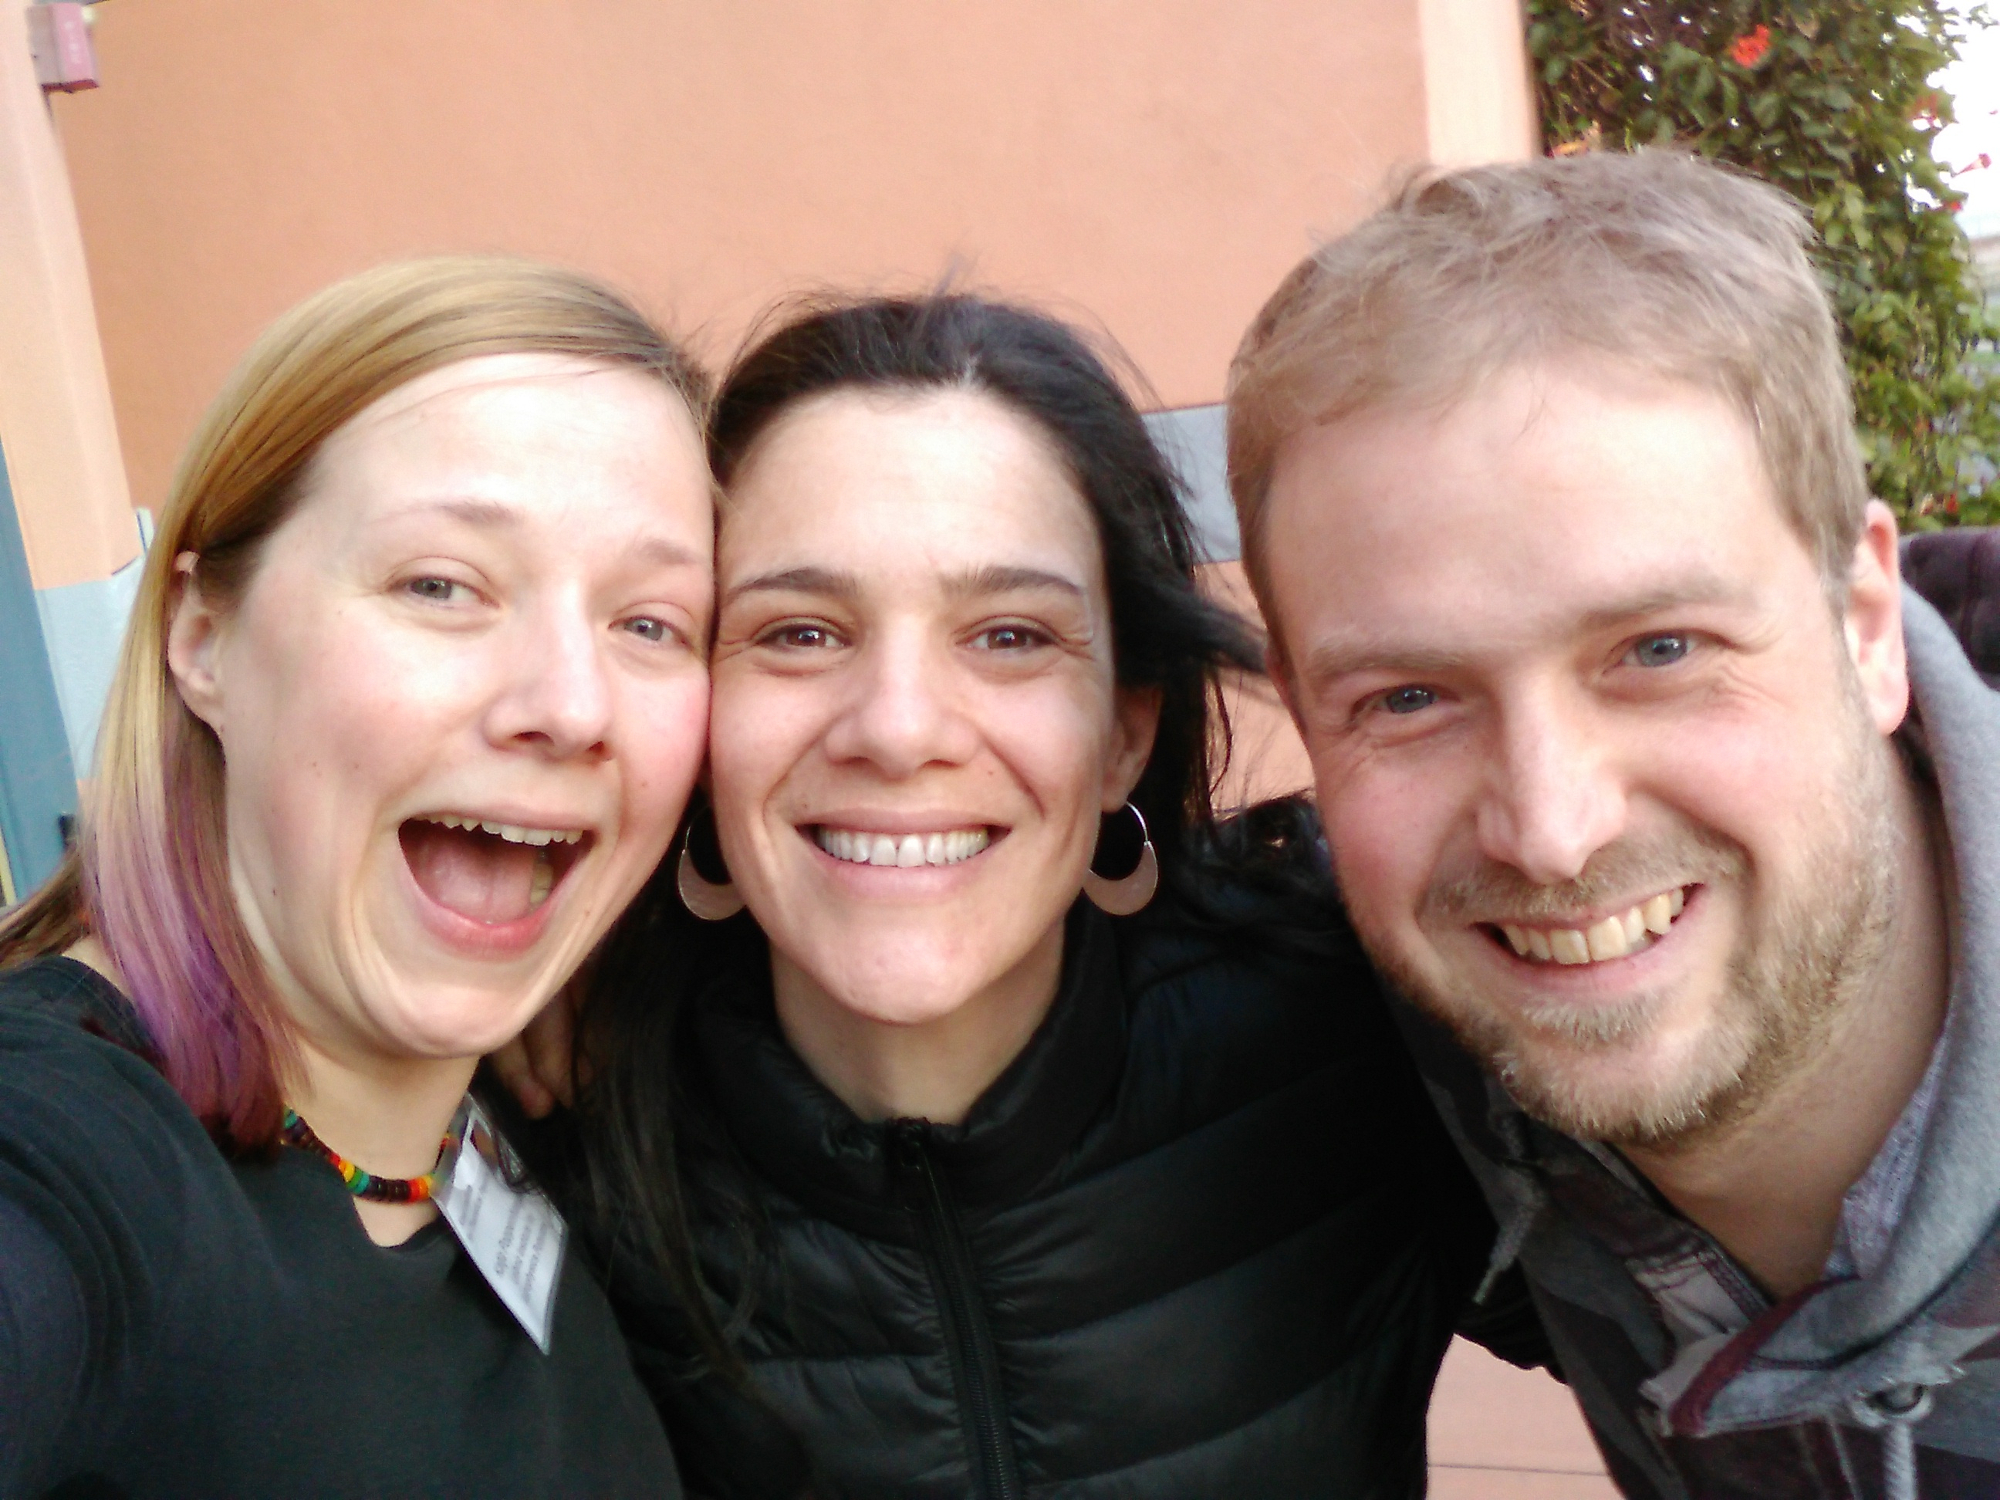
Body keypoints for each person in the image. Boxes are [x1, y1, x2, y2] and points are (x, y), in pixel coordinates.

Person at [513, 293, 1549, 1500]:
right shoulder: (542, 1116)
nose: (898, 729)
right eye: (797, 633)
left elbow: (1703, 1326)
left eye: (1008, 636)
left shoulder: (1363, 1016)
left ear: (1123, 734)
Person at [1225, 149, 2000, 1498]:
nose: (1551, 831)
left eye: (1659, 649)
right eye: (1407, 697)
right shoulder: (1358, 1016)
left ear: (1864, 627)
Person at [0, 257, 716, 1496]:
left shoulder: (520, 1106)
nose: (570, 703)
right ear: (202, 638)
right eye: (440, 584)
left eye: (649, 623)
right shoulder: (77, 1151)